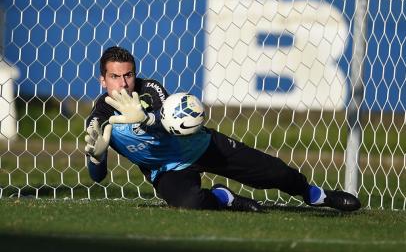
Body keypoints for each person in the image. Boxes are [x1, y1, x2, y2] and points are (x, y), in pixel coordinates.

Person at [84, 46, 361, 212]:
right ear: (102, 80)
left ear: (135, 74)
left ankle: (315, 195)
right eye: (114, 76)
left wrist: (147, 119)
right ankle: (222, 197)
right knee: (189, 204)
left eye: (128, 74)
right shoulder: (98, 120)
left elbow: (169, 121)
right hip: (166, 170)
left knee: (275, 172)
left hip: (203, 146)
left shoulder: (151, 89)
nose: (123, 83)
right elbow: (98, 178)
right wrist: (96, 158)